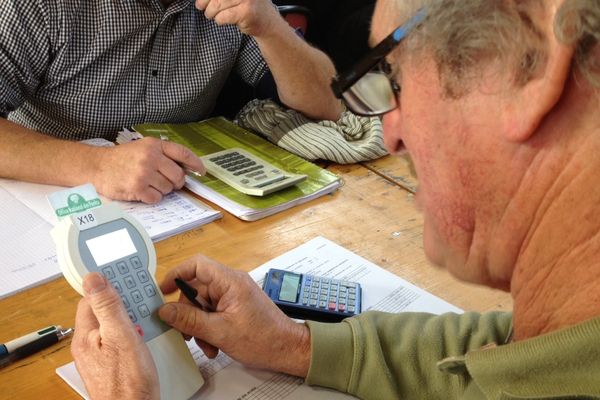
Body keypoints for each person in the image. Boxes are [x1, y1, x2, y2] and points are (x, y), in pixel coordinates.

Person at [71, 0, 600, 399]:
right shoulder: (563, 341)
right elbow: (501, 348)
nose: (388, 134)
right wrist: (293, 344)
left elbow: (319, 99)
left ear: (529, 66)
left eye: (391, 76)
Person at [0, 0, 341, 204]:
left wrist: (269, 26)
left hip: (181, 203)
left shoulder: (233, 6)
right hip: (52, 194)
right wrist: (98, 166)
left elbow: (326, 103)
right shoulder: (40, 6)